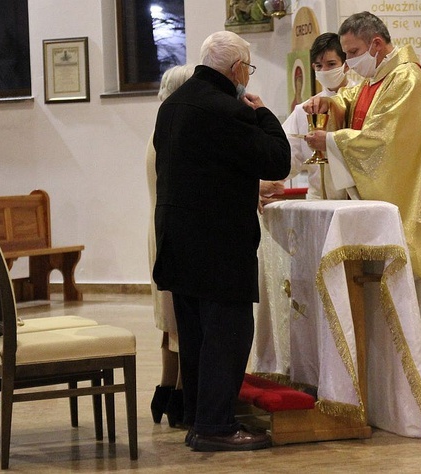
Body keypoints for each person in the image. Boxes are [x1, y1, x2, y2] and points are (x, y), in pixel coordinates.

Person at [303, 11, 421, 390]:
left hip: (412, 206)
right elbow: (350, 102)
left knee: (415, 293)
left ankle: (420, 379)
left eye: (352, 53)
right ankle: (391, 382)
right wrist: (330, 107)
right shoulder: (377, 79)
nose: (349, 63)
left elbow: (384, 142)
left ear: (377, 45)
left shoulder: (407, 79)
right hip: (389, 212)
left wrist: (331, 142)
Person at [152, 30, 291, 452]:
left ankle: (198, 415)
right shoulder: (225, 110)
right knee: (227, 333)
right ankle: (216, 426)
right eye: (246, 69)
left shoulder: (173, 105)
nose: (246, 78)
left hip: (177, 240)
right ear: (235, 70)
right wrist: (264, 113)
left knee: (195, 335)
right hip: (217, 245)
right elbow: (276, 160)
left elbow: (203, 170)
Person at [146, 65, 194, 427]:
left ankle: (165, 389)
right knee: (180, 320)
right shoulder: (175, 133)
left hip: (159, 230)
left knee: (170, 321)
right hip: (175, 234)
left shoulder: (158, 129)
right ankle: (179, 395)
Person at [279, 32, 355, 201]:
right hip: (318, 199)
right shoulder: (304, 110)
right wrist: (272, 180)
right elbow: (288, 154)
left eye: (331, 64)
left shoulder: (362, 100)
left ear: (346, 65)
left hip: (357, 198)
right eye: (319, 66)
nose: (325, 71)